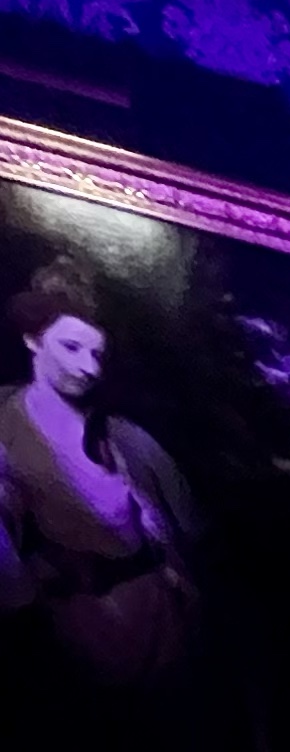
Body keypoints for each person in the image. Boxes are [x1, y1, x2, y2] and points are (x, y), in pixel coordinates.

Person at [0, 257, 202, 727]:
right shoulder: (5, 427)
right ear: (33, 340)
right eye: (71, 347)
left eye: (97, 354)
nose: (87, 367)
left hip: (161, 645)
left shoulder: (130, 441)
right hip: (65, 663)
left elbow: (192, 537)